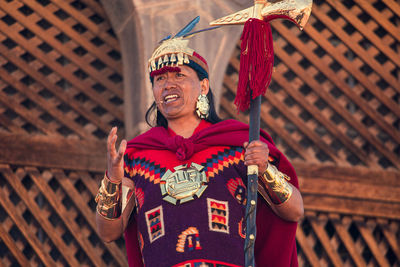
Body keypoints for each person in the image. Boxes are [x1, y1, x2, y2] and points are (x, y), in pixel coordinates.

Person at [95, 24, 304, 267]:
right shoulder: (138, 156)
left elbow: (295, 211)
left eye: (179, 75)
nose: (168, 84)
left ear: (203, 86)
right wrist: (113, 178)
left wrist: (265, 169)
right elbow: (108, 233)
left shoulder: (237, 145)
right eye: (159, 79)